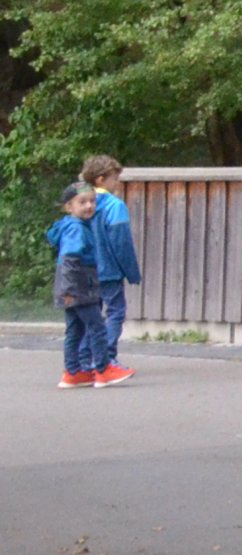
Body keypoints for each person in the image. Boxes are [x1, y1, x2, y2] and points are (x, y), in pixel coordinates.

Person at [51, 184, 115, 388]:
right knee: (97, 327)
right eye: (82, 202)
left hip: (72, 286)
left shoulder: (70, 225)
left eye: (92, 201)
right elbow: (70, 259)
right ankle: (104, 370)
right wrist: (70, 291)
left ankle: (73, 373)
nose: (89, 206)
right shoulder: (76, 228)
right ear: (69, 207)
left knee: (75, 329)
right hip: (79, 287)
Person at [80, 154, 138, 372]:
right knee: (115, 312)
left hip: (85, 270)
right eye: (115, 178)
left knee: (91, 315)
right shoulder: (114, 205)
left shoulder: (83, 203)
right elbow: (121, 242)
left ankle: (84, 360)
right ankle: (107, 357)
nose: (118, 183)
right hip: (109, 270)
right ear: (101, 179)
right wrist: (131, 271)